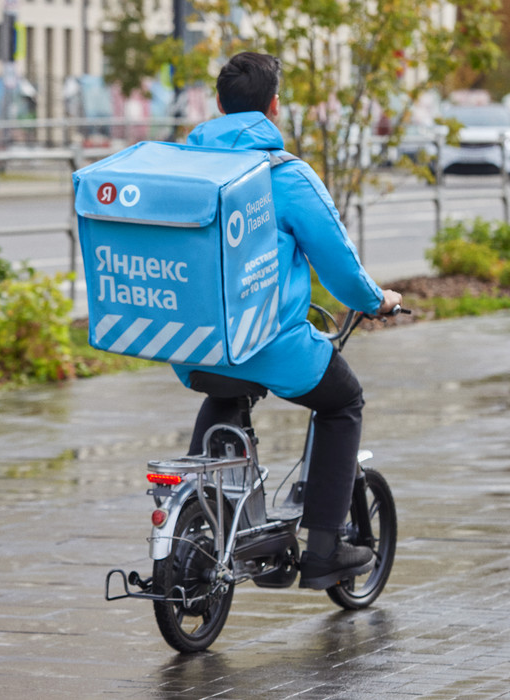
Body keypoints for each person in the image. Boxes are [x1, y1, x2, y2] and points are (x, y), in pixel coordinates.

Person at [171, 52, 403, 590]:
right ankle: (324, 548)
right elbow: (342, 270)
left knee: (226, 391)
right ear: (273, 107)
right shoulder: (285, 175)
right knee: (343, 401)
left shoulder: (188, 169)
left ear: (220, 106)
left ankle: (207, 517)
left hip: (194, 346)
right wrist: (377, 300)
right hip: (268, 341)